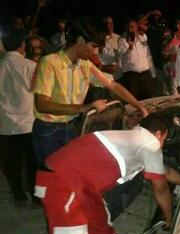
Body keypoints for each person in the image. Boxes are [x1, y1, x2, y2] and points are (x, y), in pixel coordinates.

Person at [34, 114, 180, 234]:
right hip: (63, 182)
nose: (161, 145)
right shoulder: (150, 143)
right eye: (163, 140)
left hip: (80, 183)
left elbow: (165, 172)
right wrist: (169, 218)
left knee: (99, 223)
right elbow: (161, 189)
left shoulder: (131, 138)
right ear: (159, 134)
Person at [31, 18, 149, 167]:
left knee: (71, 173)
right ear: (80, 41)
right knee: (51, 179)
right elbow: (42, 105)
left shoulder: (85, 65)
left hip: (72, 126)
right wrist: (84, 108)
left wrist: (139, 106)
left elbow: (113, 86)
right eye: (93, 46)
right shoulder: (49, 63)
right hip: (50, 129)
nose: (95, 52)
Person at [0, 27, 37, 207]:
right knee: (32, 161)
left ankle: (19, 195)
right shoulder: (30, 66)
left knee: (12, 161)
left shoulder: (1, 66)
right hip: (28, 122)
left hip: (5, 123)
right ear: (23, 46)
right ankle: (37, 196)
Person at [117, 19, 156, 100]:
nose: (132, 29)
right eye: (130, 27)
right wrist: (130, 47)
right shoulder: (122, 40)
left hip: (145, 74)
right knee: (134, 99)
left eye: (133, 26)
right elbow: (121, 57)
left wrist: (153, 74)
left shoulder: (142, 38)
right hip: (132, 75)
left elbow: (148, 56)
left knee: (148, 99)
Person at [162, 19, 180, 95]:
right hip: (174, 69)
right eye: (178, 25)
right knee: (174, 92)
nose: (179, 26)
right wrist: (172, 40)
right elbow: (164, 53)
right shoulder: (171, 38)